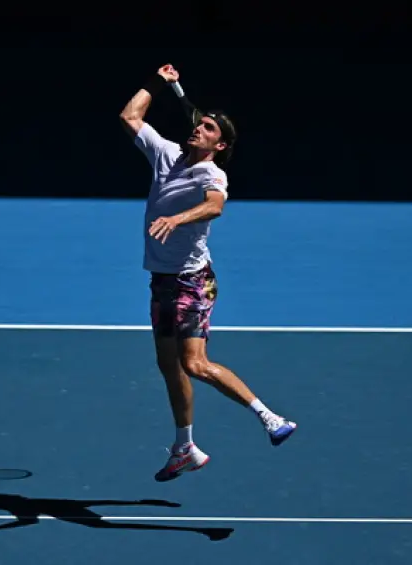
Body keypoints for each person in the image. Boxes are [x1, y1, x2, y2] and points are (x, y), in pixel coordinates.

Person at [118, 64, 297, 483]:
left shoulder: (212, 173)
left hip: (192, 281)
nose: (199, 128)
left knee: (194, 364)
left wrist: (177, 219)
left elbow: (215, 205)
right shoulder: (165, 153)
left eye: (210, 128)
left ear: (221, 144)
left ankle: (270, 418)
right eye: (201, 123)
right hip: (162, 280)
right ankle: (185, 448)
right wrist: (157, 83)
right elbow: (130, 117)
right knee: (169, 366)